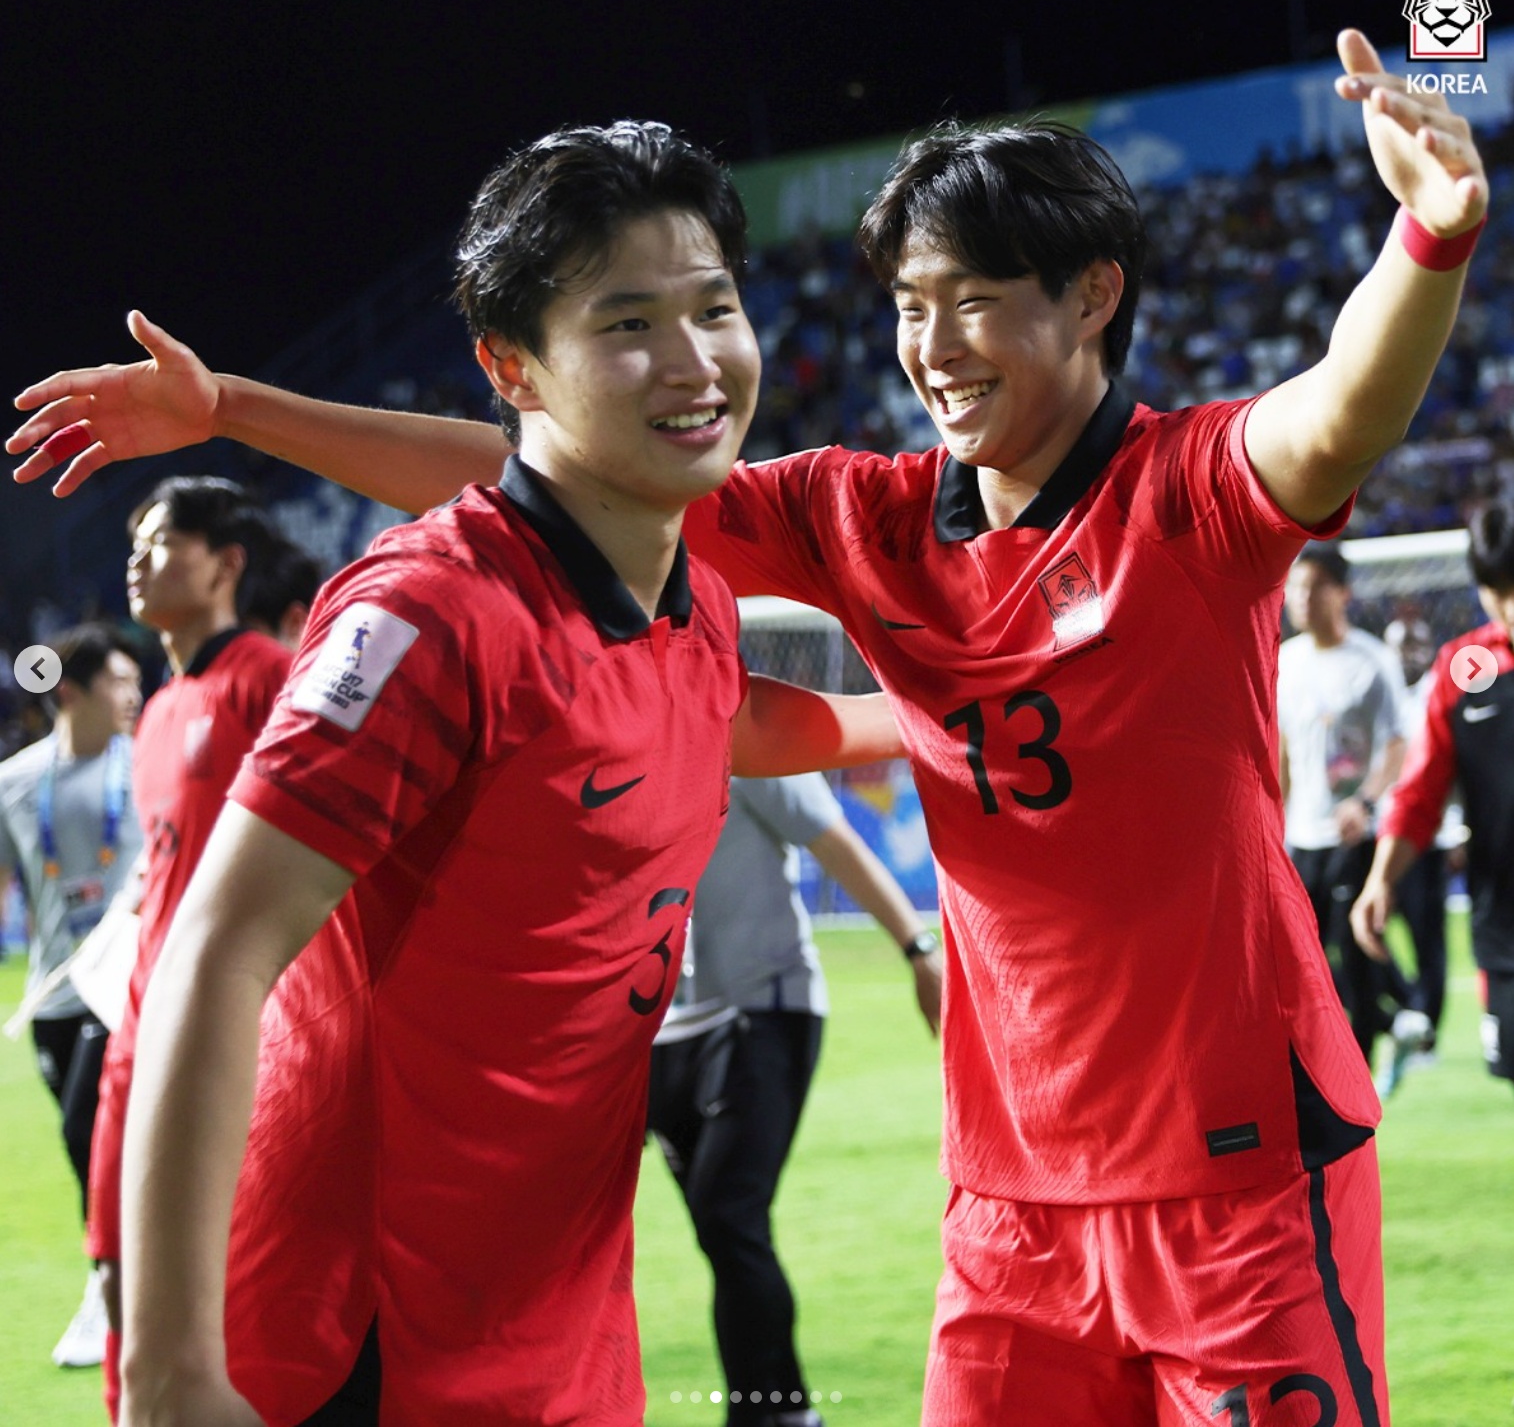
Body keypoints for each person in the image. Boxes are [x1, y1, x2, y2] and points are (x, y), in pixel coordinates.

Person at [8, 31, 1488, 1425]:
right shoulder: (865, 515)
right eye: (908, 305)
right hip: (1005, 1200)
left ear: (1091, 294)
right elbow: (558, 461)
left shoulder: (1185, 494)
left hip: (1235, 1171)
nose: (933, 345)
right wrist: (237, 412)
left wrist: (1425, 242)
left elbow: (1333, 416)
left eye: (972, 298)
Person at [20, 123, 902, 1427]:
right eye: (627, 323)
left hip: (551, 1318)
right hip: (357, 1330)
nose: (692, 360)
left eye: (714, 307)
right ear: (510, 367)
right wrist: (168, 1372)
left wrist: (941, 713)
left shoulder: (691, 607)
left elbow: (735, 727)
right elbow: (217, 949)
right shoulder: (431, 613)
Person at [84, 475, 293, 1419]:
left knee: (232, 1302)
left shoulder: (267, 679)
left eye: (164, 540)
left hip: (234, 1037)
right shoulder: (160, 709)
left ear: (227, 563)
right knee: (125, 1286)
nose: (140, 557)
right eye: (135, 540)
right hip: (137, 1035)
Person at [646, 772, 940, 1427]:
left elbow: (835, 843)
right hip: (661, 1028)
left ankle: (771, 1414)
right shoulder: (623, 732)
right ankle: (785, 1410)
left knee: (728, 1214)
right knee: (720, 1231)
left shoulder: (747, 728)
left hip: (766, 1007)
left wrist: (919, 951)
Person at [0, 623, 143, 1367]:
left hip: (128, 990)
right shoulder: (16, 782)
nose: (132, 695)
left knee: (87, 1125)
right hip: (53, 994)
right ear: (71, 692)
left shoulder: (151, 762)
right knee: (85, 1141)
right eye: (117, 682)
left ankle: (107, 1288)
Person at [1354, 499, 1514, 1099]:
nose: (1510, 604)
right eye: (1497, 590)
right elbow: (1420, 792)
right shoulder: (1467, 666)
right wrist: (1380, 880)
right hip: (1505, 931)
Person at [1277, 542, 1418, 1083]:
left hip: (1353, 836)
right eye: (1294, 588)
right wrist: (1276, 820)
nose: (1300, 599)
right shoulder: (1286, 663)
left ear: (1342, 594)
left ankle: (1357, 1081)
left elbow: (1398, 746)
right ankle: (1396, 1018)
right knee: (1307, 965)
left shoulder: (1371, 662)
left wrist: (1366, 801)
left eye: (1311, 588)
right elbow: (1285, 750)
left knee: (1354, 960)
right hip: (1302, 837)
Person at [1381, 613, 1459, 1064]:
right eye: (1400, 644)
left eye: (1416, 644)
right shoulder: (1379, 688)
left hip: (1431, 840)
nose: (1408, 653)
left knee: (1429, 939)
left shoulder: (1442, 687)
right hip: (1382, 835)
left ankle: (1426, 1033)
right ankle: (1408, 1009)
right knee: (1361, 932)